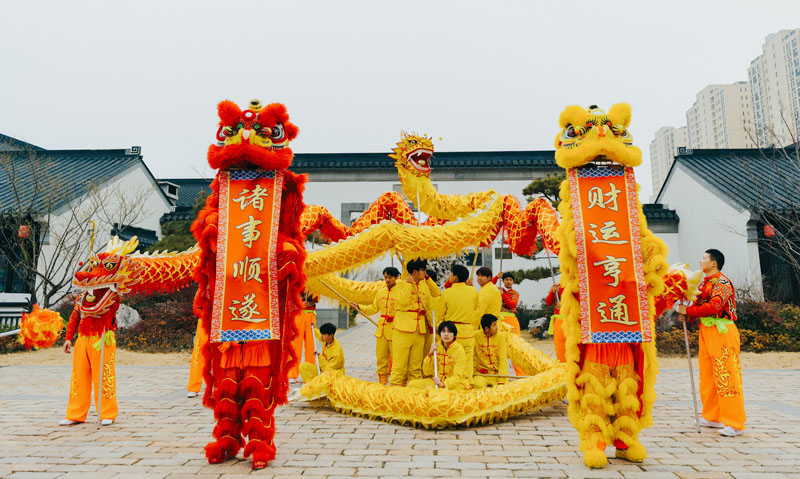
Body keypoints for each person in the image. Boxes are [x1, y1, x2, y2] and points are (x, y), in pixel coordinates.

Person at [679, 249, 746, 437]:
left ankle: (735, 423)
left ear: (713, 263)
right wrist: (687, 314)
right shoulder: (704, 283)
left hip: (722, 331)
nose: (701, 261)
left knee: (726, 375)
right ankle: (712, 416)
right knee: (707, 375)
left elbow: (714, 307)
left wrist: (689, 311)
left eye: (704, 258)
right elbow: (698, 306)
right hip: (706, 331)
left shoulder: (723, 283)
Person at [60, 292, 119, 426]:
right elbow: (75, 316)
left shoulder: (111, 293)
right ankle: (75, 414)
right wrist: (68, 338)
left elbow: (113, 310)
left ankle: (106, 413)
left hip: (102, 338)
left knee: (104, 377)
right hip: (82, 338)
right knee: (79, 377)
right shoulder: (81, 296)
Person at [389, 259, 432, 386]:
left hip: (419, 331)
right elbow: (402, 302)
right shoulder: (400, 284)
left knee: (415, 368)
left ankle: (413, 394)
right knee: (399, 367)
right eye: (422, 270)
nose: (424, 273)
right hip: (403, 330)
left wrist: (434, 324)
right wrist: (409, 285)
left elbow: (429, 305)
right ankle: (394, 395)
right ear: (415, 272)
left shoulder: (424, 286)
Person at [354, 267, 400, 385]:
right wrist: (359, 307)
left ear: (396, 277)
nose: (387, 280)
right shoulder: (381, 292)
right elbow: (374, 308)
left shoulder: (401, 292)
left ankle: (396, 386)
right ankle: (382, 385)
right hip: (382, 330)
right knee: (381, 358)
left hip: (396, 329)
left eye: (390, 277)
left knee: (397, 359)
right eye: (386, 277)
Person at [439, 264, 479, 376]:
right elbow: (476, 308)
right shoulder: (473, 291)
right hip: (468, 331)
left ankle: (453, 383)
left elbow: (440, 315)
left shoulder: (446, 293)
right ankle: (467, 382)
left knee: (452, 361)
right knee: (468, 361)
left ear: (455, 277)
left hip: (451, 332)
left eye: (451, 274)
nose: (449, 276)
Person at [408, 321, 471, 390]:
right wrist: (430, 354)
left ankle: (433, 390)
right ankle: (434, 390)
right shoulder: (436, 346)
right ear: (440, 334)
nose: (446, 334)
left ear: (454, 335)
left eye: (449, 332)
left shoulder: (459, 349)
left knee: (454, 390)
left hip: (455, 384)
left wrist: (443, 384)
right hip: (436, 382)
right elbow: (426, 372)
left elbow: (457, 376)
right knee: (412, 384)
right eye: (443, 331)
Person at [471, 314, 509, 388]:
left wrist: (501, 381)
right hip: (481, 374)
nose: (497, 327)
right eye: (494, 325)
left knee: (503, 389)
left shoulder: (501, 337)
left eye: (496, 324)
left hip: (497, 374)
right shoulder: (476, 336)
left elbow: (503, 359)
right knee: (477, 385)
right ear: (486, 329)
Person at [287, 294, 318, 383]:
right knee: (295, 344)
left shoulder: (314, 287)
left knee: (311, 345)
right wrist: (300, 302)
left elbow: (316, 299)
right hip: (298, 313)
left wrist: (309, 302)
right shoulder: (294, 285)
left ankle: (310, 372)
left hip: (310, 314)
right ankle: (292, 374)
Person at [545, 284, 566, 363]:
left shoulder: (577, 285)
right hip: (559, 320)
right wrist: (552, 292)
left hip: (573, 320)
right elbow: (548, 302)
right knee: (560, 346)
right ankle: (562, 365)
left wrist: (564, 307)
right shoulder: (557, 287)